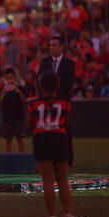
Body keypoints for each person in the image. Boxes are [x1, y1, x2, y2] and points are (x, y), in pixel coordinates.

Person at [28, 72, 75, 217]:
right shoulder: (65, 104)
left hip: (42, 139)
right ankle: (68, 214)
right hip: (60, 139)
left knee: (47, 180)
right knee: (63, 179)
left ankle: (51, 215)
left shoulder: (33, 104)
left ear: (41, 86)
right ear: (58, 85)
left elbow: (30, 124)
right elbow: (66, 122)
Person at [38, 36, 76, 165]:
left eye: (54, 45)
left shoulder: (69, 64)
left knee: (65, 130)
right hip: (46, 102)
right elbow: (39, 80)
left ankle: (68, 159)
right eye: (50, 45)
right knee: (47, 131)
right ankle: (48, 157)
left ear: (61, 47)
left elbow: (69, 83)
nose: (51, 48)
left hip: (63, 101)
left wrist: (54, 94)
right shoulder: (44, 62)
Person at [0, 67, 28, 153]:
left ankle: (22, 159)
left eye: (12, 78)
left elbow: (25, 102)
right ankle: (8, 160)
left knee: (20, 140)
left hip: (19, 119)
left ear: (15, 78)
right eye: (7, 78)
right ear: (5, 79)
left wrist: (19, 92)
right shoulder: (2, 90)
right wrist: (2, 95)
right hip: (7, 119)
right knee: (8, 141)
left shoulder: (21, 88)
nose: (10, 80)